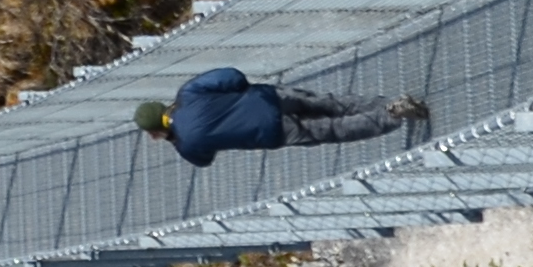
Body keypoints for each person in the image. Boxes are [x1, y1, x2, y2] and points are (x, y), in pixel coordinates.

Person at [137, 69, 427, 167]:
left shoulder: (187, 145)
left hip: (273, 132)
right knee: (331, 103)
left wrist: (172, 137)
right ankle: (391, 103)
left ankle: (392, 115)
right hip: (270, 97)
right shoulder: (188, 92)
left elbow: (204, 160)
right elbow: (233, 76)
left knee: (334, 129)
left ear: (155, 130)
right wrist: (243, 98)